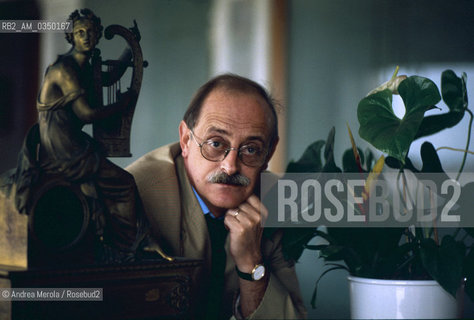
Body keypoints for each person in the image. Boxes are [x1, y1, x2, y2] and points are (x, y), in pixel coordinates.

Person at [127, 74, 306, 319]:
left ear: (269, 153)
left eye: (251, 149)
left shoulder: (274, 199)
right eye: (215, 143)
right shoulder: (133, 196)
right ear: (186, 139)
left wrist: (251, 263)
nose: (230, 167)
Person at [14, 8, 138, 257]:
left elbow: (110, 76)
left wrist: (131, 49)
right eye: (80, 32)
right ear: (70, 36)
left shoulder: (84, 68)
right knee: (125, 184)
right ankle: (125, 247)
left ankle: (113, 243)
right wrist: (121, 105)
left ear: (98, 35)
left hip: (74, 143)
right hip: (64, 149)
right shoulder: (64, 69)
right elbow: (86, 114)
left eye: (91, 32)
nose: (86, 36)